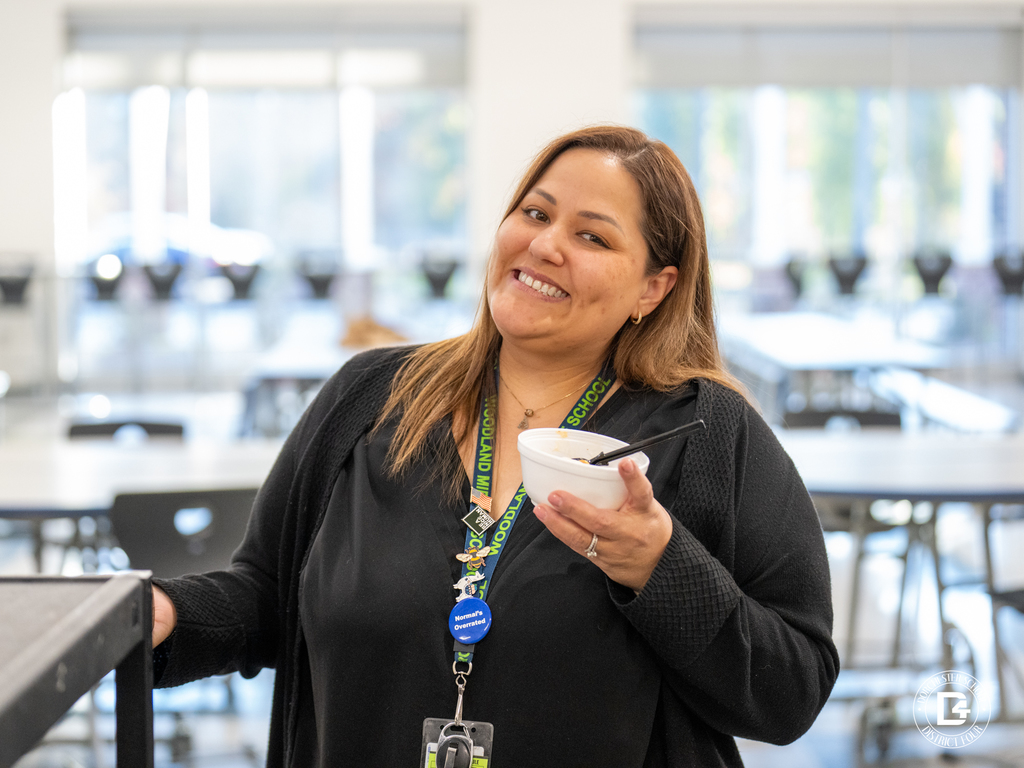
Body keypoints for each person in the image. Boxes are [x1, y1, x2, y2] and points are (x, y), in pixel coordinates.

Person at [151, 125, 838, 767]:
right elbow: (267, 597)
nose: (545, 246)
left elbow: (793, 688)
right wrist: (165, 615)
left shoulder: (706, 433)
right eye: (536, 215)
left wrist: (661, 569)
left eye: (593, 238)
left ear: (653, 289)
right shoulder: (370, 397)